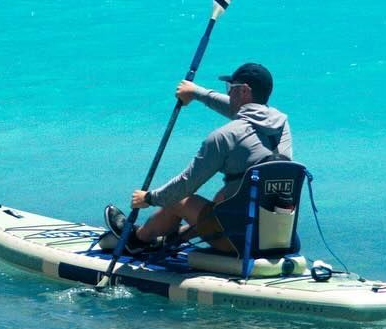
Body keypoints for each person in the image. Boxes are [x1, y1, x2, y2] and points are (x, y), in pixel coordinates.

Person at [101, 61, 293, 255]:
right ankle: (174, 236)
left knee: (179, 199)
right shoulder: (281, 126)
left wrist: (149, 198)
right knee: (225, 196)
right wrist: (196, 93)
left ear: (244, 91)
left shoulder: (223, 137)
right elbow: (243, 113)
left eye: (231, 88)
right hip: (279, 235)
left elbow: (186, 184)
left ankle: (137, 239)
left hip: (240, 241)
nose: (227, 94)